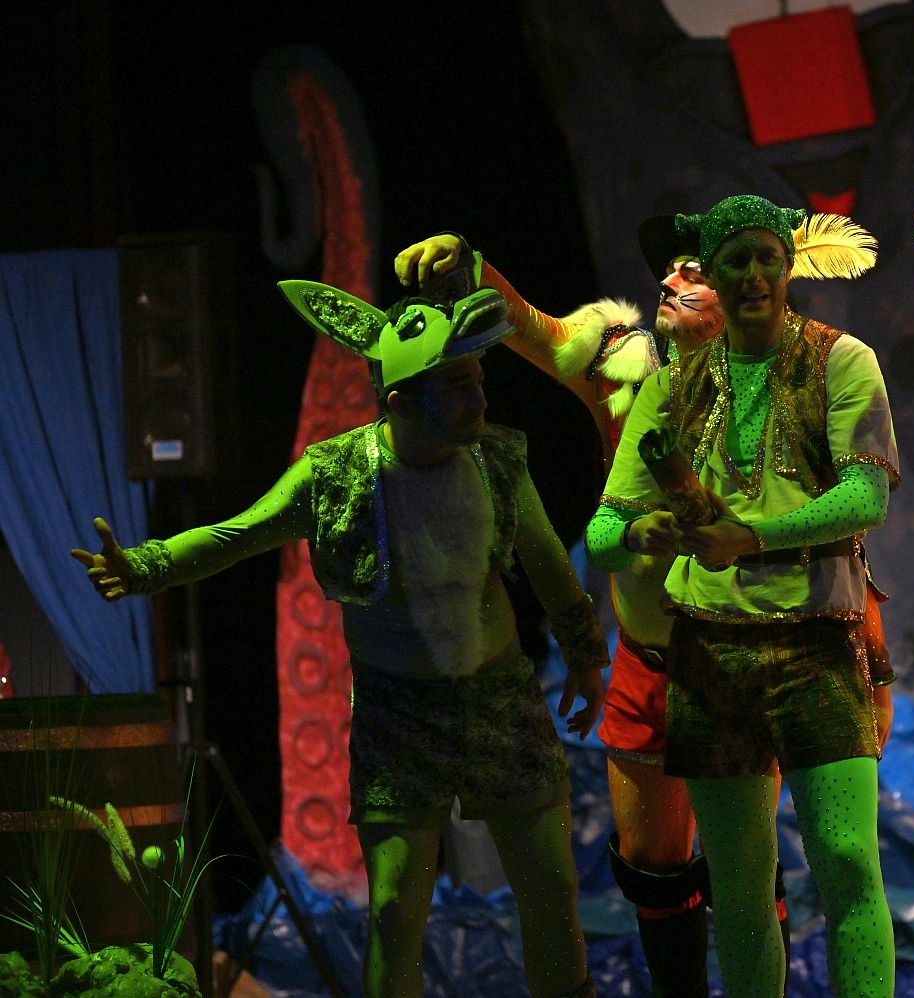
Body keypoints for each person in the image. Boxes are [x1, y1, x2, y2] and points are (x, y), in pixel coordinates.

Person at [72, 256, 608, 998]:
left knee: (551, 893)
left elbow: (548, 564)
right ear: (402, 400)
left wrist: (584, 656)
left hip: (500, 698)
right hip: (399, 716)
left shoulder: (498, 459)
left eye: (478, 379)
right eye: (457, 385)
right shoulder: (336, 476)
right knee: (393, 911)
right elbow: (238, 534)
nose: (478, 397)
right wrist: (147, 565)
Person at [394, 224, 895, 998]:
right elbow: (533, 330)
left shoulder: (804, 377)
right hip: (652, 657)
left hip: (756, 649)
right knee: (653, 861)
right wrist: (471, 268)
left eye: (694, 273)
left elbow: (850, 525)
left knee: (768, 860)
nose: (669, 283)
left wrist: (874, 662)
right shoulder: (624, 370)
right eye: (669, 271)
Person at [587, 195, 897, 998]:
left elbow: (866, 497)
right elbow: (602, 531)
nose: (754, 274)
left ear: (787, 266)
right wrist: (644, 531)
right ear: (716, 277)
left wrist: (750, 539)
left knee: (848, 865)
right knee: (739, 884)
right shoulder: (671, 388)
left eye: (766, 257)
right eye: (736, 261)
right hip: (710, 657)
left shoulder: (842, 360)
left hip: (817, 645)